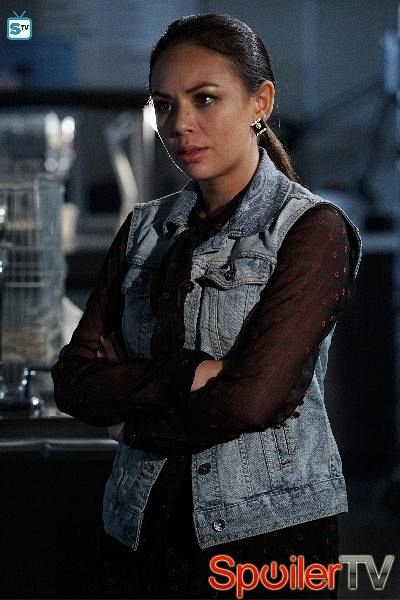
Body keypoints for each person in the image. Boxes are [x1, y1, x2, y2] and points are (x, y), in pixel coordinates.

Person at [51, 13, 362, 600]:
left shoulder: (310, 230)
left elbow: (250, 399)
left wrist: (131, 419)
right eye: (165, 105)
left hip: (265, 537)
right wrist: (188, 375)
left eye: (205, 99)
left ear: (260, 102)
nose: (180, 125)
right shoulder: (145, 229)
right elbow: (73, 380)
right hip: (137, 524)